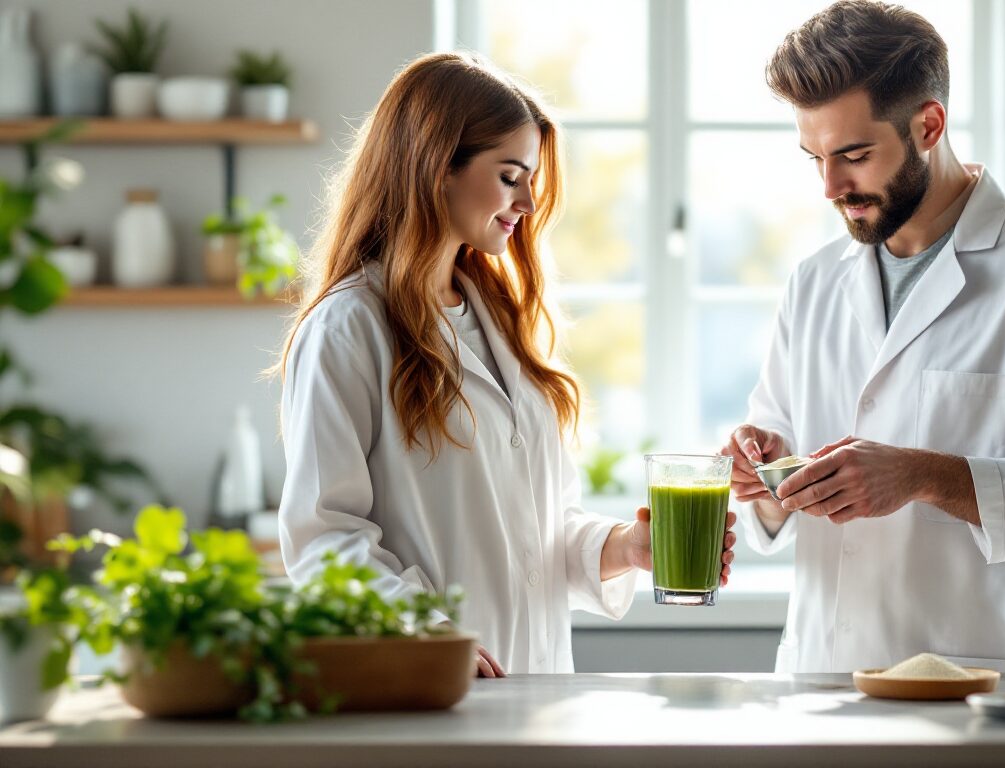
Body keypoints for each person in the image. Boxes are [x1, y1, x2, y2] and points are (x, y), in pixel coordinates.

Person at [723, 1, 1005, 673]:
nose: (831, 186)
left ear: (928, 125)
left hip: (980, 693)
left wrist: (924, 475)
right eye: (815, 158)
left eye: (854, 155)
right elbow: (775, 487)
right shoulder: (814, 282)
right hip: (821, 683)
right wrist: (764, 471)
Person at [276, 53, 736, 677]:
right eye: (510, 175)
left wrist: (626, 548)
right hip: (435, 687)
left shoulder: (501, 319)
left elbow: (537, 530)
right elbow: (323, 535)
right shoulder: (349, 327)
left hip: (538, 690)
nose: (528, 200)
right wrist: (424, 632)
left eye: (531, 179)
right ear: (437, 166)